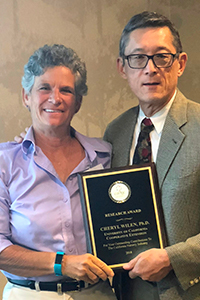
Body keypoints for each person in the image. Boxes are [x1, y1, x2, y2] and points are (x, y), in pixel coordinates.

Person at [0, 44, 117, 300]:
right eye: (44, 88)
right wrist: (61, 264)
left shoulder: (105, 155)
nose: (55, 98)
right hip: (30, 295)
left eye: (66, 90)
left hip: (98, 294)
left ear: (78, 102)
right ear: (26, 97)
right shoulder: (4, 163)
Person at [103, 11, 200, 300]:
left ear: (180, 63)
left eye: (162, 57)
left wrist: (173, 258)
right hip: (125, 292)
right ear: (122, 67)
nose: (150, 69)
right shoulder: (115, 133)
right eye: (137, 58)